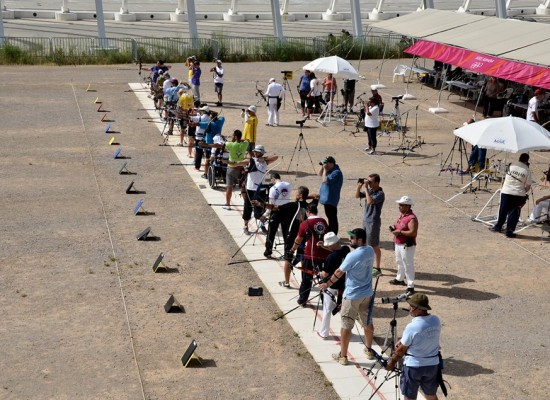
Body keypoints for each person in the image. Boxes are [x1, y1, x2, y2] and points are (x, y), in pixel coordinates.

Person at [319, 228, 375, 365]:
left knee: (346, 326)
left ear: (360, 240)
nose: (349, 240)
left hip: (352, 295)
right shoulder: (370, 251)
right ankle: (369, 349)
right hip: (367, 293)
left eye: (352, 238)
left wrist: (327, 284)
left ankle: (343, 356)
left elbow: (339, 272)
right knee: (367, 322)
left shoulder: (353, 256)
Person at [255, 186, 318, 287]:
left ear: (300, 195)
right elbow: (317, 196)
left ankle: (287, 282)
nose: (295, 195)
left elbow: (274, 207)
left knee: (288, 258)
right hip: (304, 237)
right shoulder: (310, 206)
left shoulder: (293, 205)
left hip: (292, 236)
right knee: (302, 258)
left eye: (297, 193)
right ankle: (304, 283)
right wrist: (305, 197)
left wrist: (260, 204)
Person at [385, 293, 442, 400]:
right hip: (433, 364)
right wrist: (402, 340)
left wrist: (391, 362)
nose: (409, 308)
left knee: (410, 396)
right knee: (431, 395)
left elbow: (401, 351)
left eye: (411, 306)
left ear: (419, 308)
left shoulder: (412, 326)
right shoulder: (436, 320)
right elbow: (422, 335)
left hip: (414, 367)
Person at [290, 203, 331, 306]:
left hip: (310, 254)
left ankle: (303, 300)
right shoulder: (323, 221)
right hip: (324, 253)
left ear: (308, 212)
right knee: (323, 278)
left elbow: (298, 239)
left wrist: (292, 250)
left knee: (307, 278)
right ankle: (325, 301)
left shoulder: (305, 223)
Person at [316, 232, 349, 339]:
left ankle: (324, 332)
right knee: (345, 310)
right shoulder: (346, 250)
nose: (328, 247)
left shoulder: (330, 258)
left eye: (329, 245)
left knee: (327, 309)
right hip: (344, 285)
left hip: (331, 285)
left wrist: (319, 273)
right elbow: (336, 251)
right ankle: (348, 331)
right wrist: (323, 246)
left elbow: (325, 274)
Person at [490, 153, 532, 238]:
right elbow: (528, 185)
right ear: (527, 160)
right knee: (514, 212)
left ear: (519, 158)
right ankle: (509, 231)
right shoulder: (527, 170)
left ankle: (498, 227)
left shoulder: (512, 165)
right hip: (518, 193)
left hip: (506, 190)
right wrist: (524, 191)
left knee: (503, 210)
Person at [241, 144, 278, 235]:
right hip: (250, 189)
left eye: (257, 152)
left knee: (261, 208)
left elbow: (276, 157)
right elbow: (239, 162)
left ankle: (262, 224)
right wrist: (231, 163)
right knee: (247, 208)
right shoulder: (250, 160)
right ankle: (245, 226)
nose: (255, 153)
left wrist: (264, 159)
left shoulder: (265, 162)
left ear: (261, 153)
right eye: (255, 152)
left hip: (260, 189)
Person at [355, 174, 384, 275]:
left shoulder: (380, 193)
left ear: (377, 182)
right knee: (365, 243)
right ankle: (367, 264)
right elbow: (357, 196)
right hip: (366, 220)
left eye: (371, 182)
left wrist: (366, 188)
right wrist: (359, 186)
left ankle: (378, 267)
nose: (369, 183)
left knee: (374, 244)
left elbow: (370, 201)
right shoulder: (370, 190)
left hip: (373, 221)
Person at [389, 195, 418, 295]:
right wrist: (394, 227)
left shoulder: (411, 218)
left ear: (407, 206)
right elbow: (398, 225)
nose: (399, 207)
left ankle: (410, 286)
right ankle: (399, 278)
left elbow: (413, 233)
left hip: (407, 245)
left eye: (401, 205)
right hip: (399, 243)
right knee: (399, 261)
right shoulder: (402, 215)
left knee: (408, 264)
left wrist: (400, 232)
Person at [263, 173, 292, 258]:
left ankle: (268, 251)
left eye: (271, 180)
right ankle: (287, 253)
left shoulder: (273, 189)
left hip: (276, 212)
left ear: (273, 178)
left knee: (271, 233)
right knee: (286, 233)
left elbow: (271, 205)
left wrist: (264, 215)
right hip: (286, 211)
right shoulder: (289, 185)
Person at [223, 130, 249, 210]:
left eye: (233, 136)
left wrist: (233, 141)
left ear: (235, 136)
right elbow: (248, 140)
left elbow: (224, 147)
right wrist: (241, 139)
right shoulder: (245, 144)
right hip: (240, 169)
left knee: (229, 187)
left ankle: (228, 204)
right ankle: (246, 205)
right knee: (242, 188)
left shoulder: (230, 144)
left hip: (231, 169)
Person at [318, 156, 343, 234]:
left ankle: (334, 233)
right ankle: (331, 232)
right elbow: (320, 174)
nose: (325, 165)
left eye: (327, 164)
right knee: (329, 216)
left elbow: (325, 180)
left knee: (332, 217)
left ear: (332, 163)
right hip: (327, 198)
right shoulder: (330, 170)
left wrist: (325, 169)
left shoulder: (336, 172)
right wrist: (323, 167)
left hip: (331, 198)